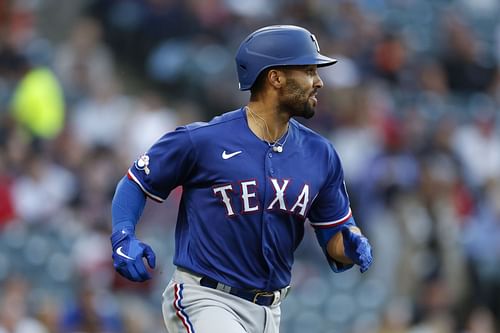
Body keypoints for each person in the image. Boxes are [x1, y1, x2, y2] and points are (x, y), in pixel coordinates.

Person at [110, 25, 373, 333]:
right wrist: (123, 236)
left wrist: (351, 242)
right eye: (309, 70)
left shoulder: (320, 154)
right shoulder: (204, 140)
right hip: (206, 297)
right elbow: (136, 181)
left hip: (270, 312)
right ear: (275, 77)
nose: (319, 82)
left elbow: (335, 235)